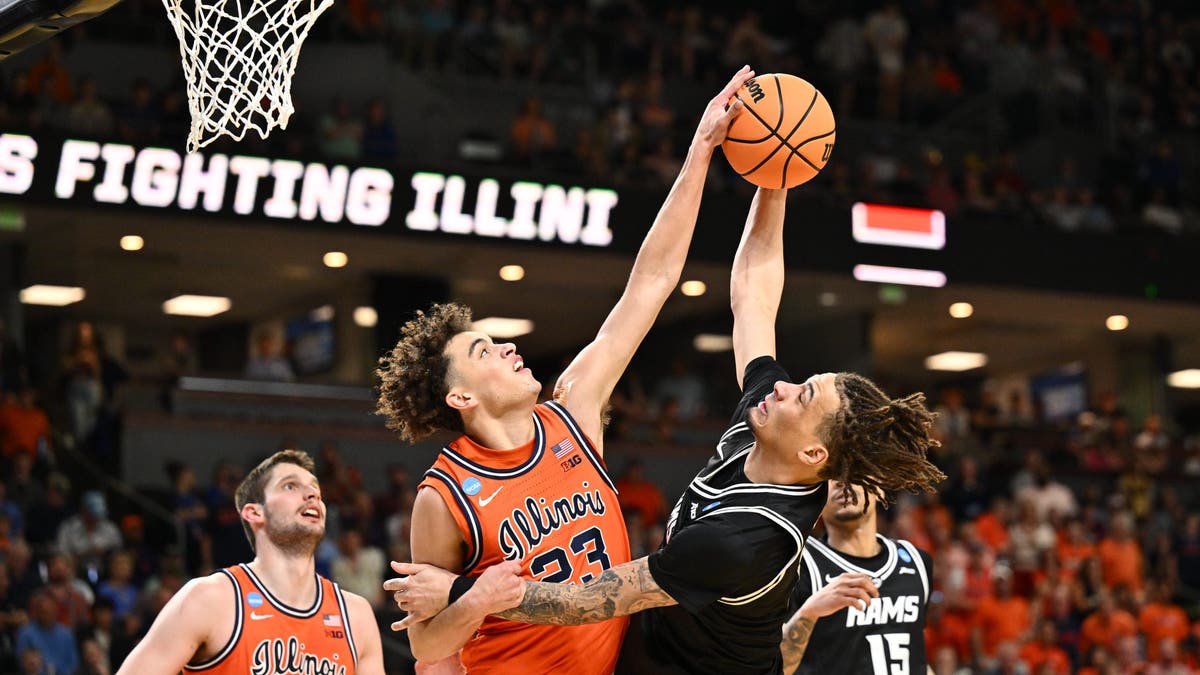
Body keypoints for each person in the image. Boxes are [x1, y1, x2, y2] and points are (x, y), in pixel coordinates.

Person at [394, 186, 946, 674]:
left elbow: (585, 602)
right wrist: (771, 181)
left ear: (811, 451)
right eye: (483, 350)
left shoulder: (744, 538)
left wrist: (468, 593)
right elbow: (752, 296)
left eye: (801, 394)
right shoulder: (763, 423)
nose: (780, 386)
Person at [375, 66, 757, 674]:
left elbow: (651, 283)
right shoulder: (444, 498)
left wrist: (700, 151)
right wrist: (474, 600)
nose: (505, 350)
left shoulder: (575, 408)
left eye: (497, 342)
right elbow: (426, 646)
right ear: (460, 398)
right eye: (483, 353)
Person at [116, 450, 383, 674]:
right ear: (254, 512)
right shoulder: (209, 599)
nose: (312, 495)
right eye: (290, 486)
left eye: (315, 488)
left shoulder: (355, 615)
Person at [781, 482, 933, 674]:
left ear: (878, 487)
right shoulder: (798, 566)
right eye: (830, 476)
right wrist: (809, 612)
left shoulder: (916, 561)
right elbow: (773, 667)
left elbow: (915, 656)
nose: (842, 482)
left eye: (855, 473)